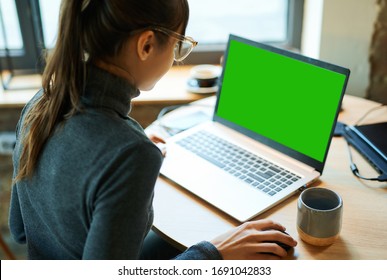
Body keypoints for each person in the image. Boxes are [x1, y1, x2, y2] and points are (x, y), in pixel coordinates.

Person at [9, 0, 297, 260]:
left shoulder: (41, 103)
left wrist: (122, 153)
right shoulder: (130, 154)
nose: (176, 58)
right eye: (177, 46)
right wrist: (214, 254)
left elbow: (20, 229)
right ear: (146, 45)